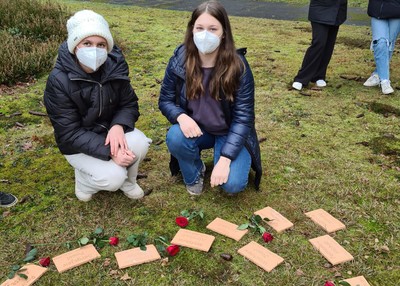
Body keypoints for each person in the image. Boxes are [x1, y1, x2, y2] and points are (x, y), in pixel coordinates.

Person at [44, 10, 151, 202]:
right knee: (112, 179)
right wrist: (111, 152)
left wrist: (118, 126)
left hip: (109, 133)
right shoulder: (58, 81)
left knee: (140, 142)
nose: (95, 49)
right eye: (87, 43)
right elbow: (68, 132)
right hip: (76, 144)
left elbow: (129, 104)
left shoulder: (115, 68)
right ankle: (84, 182)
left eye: (101, 44)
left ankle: (130, 181)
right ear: (75, 46)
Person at [158, 1, 262, 195]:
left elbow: (243, 118)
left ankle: (223, 156)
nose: (205, 34)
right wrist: (181, 117)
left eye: (213, 28)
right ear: (192, 30)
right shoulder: (179, 60)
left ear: (224, 33)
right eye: (200, 28)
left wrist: (225, 159)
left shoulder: (239, 67)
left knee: (232, 186)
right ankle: (195, 172)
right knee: (175, 136)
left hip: (229, 132)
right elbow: (165, 100)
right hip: (197, 129)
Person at [292, 0, 347, 90]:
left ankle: (319, 75)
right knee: (319, 43)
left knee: (329, 44)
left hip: (338, 9)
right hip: (320, 7)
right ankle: (301, 78)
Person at [363, 0, 400, 95]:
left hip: (397, 11)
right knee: (380, 43)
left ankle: (377, 74)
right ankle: (385, 81)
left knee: (389, 45)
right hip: (377, 11)